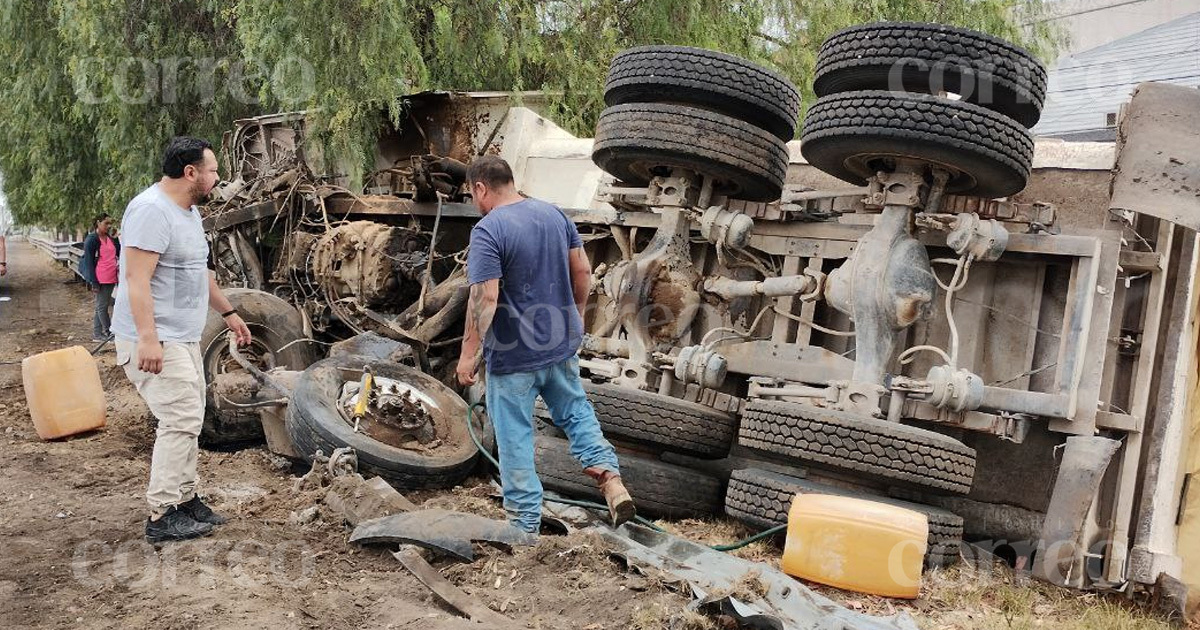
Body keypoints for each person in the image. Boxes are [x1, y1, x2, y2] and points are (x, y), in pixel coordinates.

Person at [456, 155, 634, 534]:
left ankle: (524, 528)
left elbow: (485, 299)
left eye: (473, 195)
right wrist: (573, 315)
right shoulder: (555, 216)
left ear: (481, 188)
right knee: (575, 412)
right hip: (559, 344)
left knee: (516, 437)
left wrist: (468, 355)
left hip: (513, 356)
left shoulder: (488, 230)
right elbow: (583, 271)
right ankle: (611, 481)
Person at [110, 136, 253, 543]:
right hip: (155, 338)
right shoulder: (151, 211)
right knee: (178, 419)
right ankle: (161, 514)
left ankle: (186, 499)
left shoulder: (188, 213)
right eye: (212, 171)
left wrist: (229, 313)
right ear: (190, 172)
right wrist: (148, 340)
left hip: (183, 336)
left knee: (191, 415)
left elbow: (200, 274)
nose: (217, 178)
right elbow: (136, 280)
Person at [80, 213, 121, 341]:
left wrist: (115, 238)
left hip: (111, 276)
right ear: (98, 223)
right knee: (102, 307)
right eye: (106, 223)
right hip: (100, 277)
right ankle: (109, 333)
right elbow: (89, 262)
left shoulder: (109, 238)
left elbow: (118, 252)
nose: (109, 226)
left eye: (110, 223)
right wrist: (94, 282)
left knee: (100, 306)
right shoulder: (92, 240)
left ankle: (97, 334)